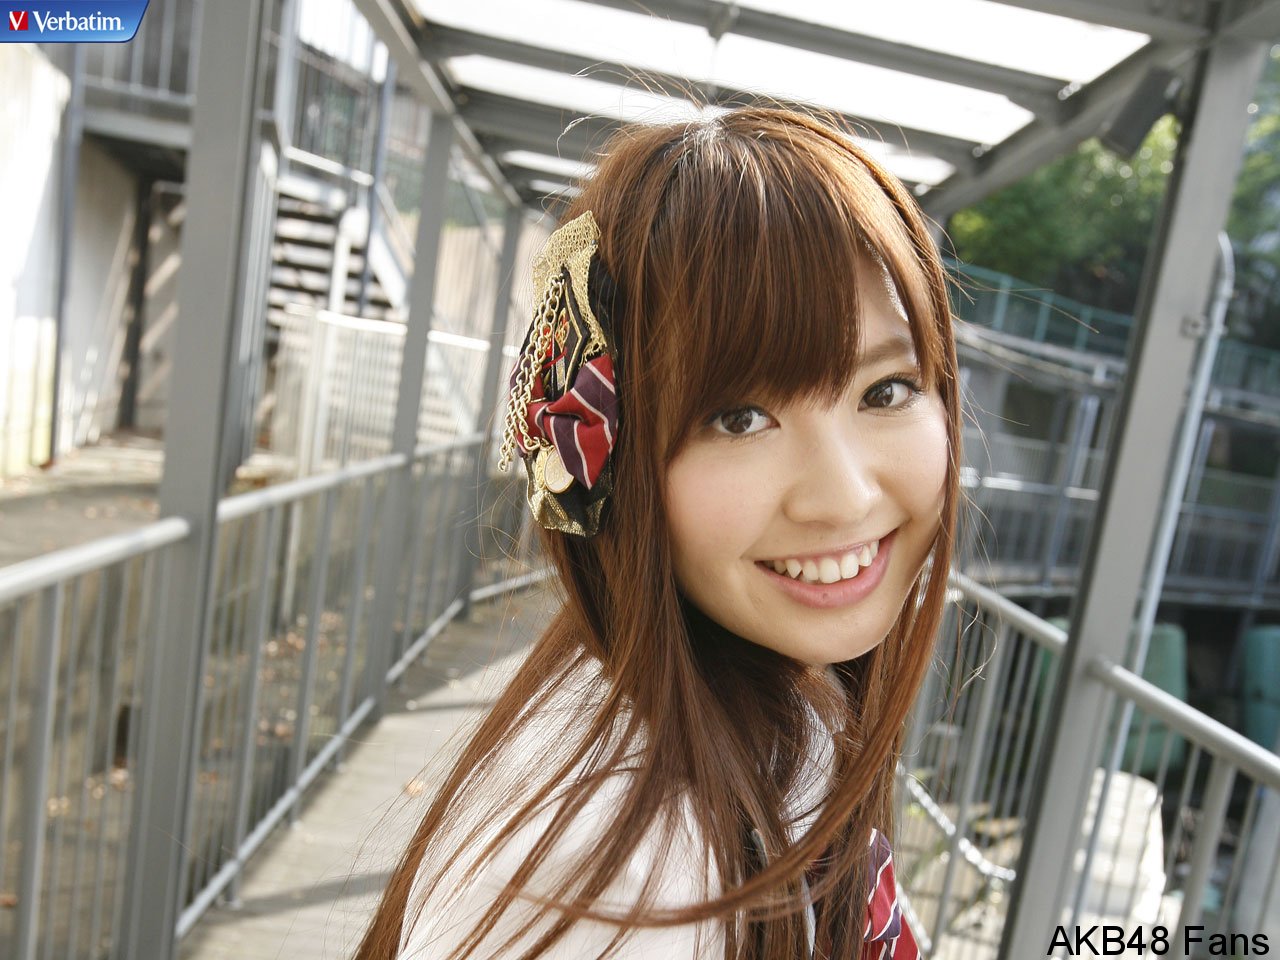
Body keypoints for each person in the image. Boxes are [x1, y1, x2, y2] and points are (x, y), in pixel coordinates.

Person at [354, 105, 961, 960]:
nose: (843, 496)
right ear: (614, 459)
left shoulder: (766, 705)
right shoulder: (614, 886)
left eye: (886, 391)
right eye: (740, 418)